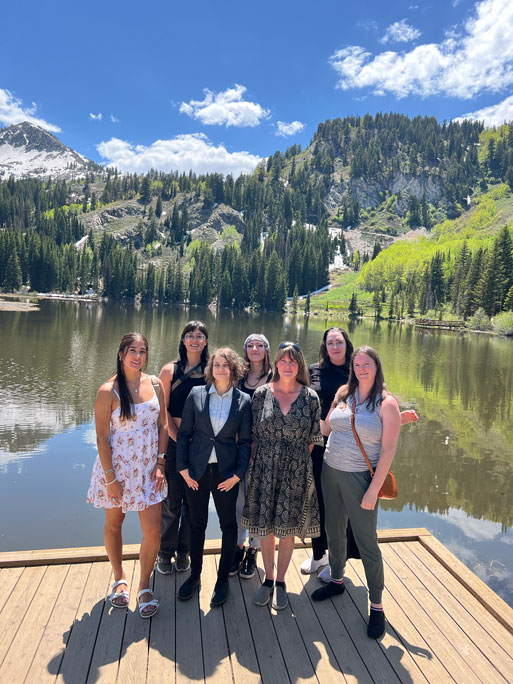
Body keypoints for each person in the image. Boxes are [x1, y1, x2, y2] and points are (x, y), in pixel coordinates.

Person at [306, 327, 418, 581]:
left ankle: (369, 594)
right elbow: (323, 420)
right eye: (330, 342)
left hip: (358, 460)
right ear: (325, 346)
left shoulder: (374, 391)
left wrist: (396, 420)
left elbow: (376, 429)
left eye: (339, 342)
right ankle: (328, 565)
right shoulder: (323, 376)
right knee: (327, 515)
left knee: (359, 526)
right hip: (326, 451)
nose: (335, 346)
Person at [311, 346, 401, 640]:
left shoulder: (386, 404)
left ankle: (376, 605)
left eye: (367, 364)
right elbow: (325, 428)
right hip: (330, 470)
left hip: (361, 478)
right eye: (358, 364)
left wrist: (374, 489)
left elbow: (388, 450)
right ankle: (337, 579)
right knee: (333, 530)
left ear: (377, 366)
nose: (361, 368)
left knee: (366, 541)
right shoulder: (343, 394)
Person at [87, 333, 167, 618]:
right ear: (121, 354)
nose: (138, 356)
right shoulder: (108, 391)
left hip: (149, 471)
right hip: (117, 470)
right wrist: (110, 479)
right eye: (132, 350)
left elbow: (163, 425)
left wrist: (160, 463)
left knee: (153, 530)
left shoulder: (155, 383)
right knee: (114, 524)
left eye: (143, 351)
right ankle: (119, 577)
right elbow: (101, 438)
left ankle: (144, 585)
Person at [242, 342, 323, 610]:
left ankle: (280, 582)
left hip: (296, 470)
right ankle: (267, 578)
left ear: (299, 366)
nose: (287, 366)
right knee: (266, 529)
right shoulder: (261, 394)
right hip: (264, 467)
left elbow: (312, 439)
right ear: (275, 363)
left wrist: (294, 462)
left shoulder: (311, 397)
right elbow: (252, 435)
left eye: (293, 362)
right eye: (283, 361)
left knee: (286, 531)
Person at [176, 347, 252, 607]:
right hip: (196, 473)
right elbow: (184, 433)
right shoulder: (196, 394)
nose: (221, 369)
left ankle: (222, 580)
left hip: (225, 474)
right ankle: (195, 576)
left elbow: (245, 443)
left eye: (226, 365)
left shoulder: (243, 401)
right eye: (217, 365)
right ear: (211, 368)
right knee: (196, 525)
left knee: (228, 526)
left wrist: (238, 475)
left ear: (234, 369)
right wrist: (183, 468)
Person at [156, 321, 209, 576]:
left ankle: (184, 550)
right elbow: (162, 410)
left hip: (201, 446)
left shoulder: (211, 371)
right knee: (171, 500)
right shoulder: (169, 370)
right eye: (190, 335)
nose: (195, 340)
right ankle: (165, 552)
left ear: (206, 341)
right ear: (183, 340)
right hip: (175, 442)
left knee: (193, 501)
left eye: (200, 336)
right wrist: (177, 438)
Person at [230, 333, 273, 579]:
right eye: (250, 345)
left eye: (260, 345)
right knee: (239, 500)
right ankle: (237, 546)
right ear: (245, 350)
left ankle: (254, 549)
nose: (255, 349)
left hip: (266, 450)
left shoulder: (275, 377)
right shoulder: (238, 377)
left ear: (266, 350)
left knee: (259, 500)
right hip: (239, 447)